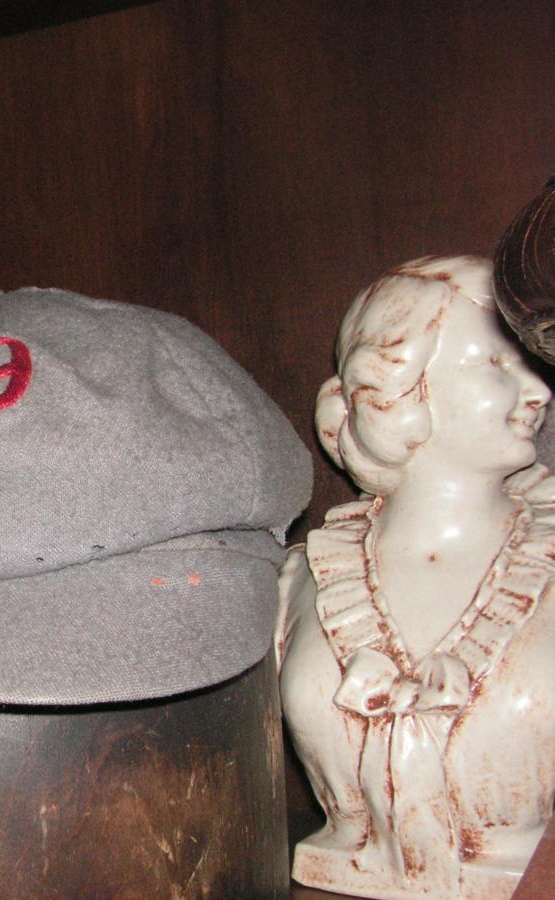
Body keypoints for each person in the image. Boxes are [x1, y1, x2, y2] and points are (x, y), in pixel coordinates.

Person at [277, 255, 555, 898]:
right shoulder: (302, 579)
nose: (539, 392)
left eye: (534, 366)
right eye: (497, 363)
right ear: (396, 387)